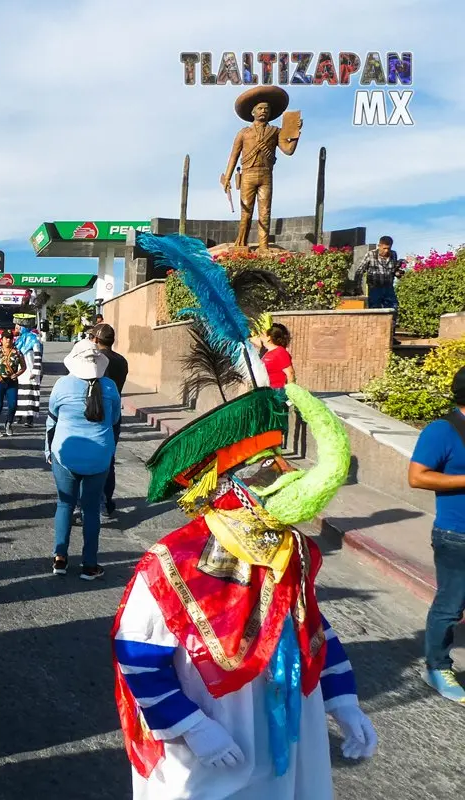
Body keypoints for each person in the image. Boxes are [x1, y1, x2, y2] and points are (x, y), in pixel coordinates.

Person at [114, 230, 379, 798]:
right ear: (222, 485)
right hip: (210, 745)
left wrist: (344, 701)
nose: (282, 475)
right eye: (263, 467)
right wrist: (189, 726)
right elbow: (137, 652)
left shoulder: (291, 549)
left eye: (281, 462)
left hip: (285, 735)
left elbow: (312, 627)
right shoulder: (171, 564)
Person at [408, 365, 465, 703]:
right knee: (451, 604)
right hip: (456, 535)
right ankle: (436, 667)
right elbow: (417, 477)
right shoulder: (442, 431)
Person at [47, 339, 120, 580]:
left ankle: (60, 558)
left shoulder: (62, 384)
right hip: (99, 457)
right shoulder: (109, 387)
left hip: (65, 455)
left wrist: (47, 450)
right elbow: (114, 419)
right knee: (90, 510)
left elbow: (52, 417)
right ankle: (89, 565)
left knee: (65, 504)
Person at [92, 323, 129, 518]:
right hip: (115, 413)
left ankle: (89, 501)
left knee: (90, 457)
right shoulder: (122, 361)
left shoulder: (96, 360)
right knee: (109, 459)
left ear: (96, 340)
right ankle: (106, 500)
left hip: (96, 411)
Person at [0, 328, 23, 436]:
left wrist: (17, 374)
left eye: (10, 338)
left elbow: (23, 367)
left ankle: (9, 423)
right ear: (1, 340)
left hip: (12, 382)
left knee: (13, 404)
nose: (8, 340)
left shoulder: (17, 352)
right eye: (6, 338)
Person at [355, 235, 403, 310]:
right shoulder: (370, 254)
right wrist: (358, 287)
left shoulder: (393, 254)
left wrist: (398, 273)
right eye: (384, 248)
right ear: (379, 246)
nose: (386, 251)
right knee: (375, 310)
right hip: (375, 288)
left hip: (389, 288)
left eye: (388, 248)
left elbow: (393, 270)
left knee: (393, 309)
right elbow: (360, 271)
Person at [13, 317, 44, 427]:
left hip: (31, 371)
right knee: (19, 393)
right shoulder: (18, 340)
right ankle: (18, 416)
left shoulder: (34, 340)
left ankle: (29, 419)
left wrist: (35, 371)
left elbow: (38, 356)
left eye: (18, 326)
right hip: (20, 371)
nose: (16, 328)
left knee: (30, 394)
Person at [261, 322, 295, 389]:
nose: (260, 335)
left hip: (278, 391)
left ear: (269, 338)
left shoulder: (280, 352)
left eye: (263, 333)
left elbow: (290, 373)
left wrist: (290, 392)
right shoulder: (266, 352)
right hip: (268, 390)